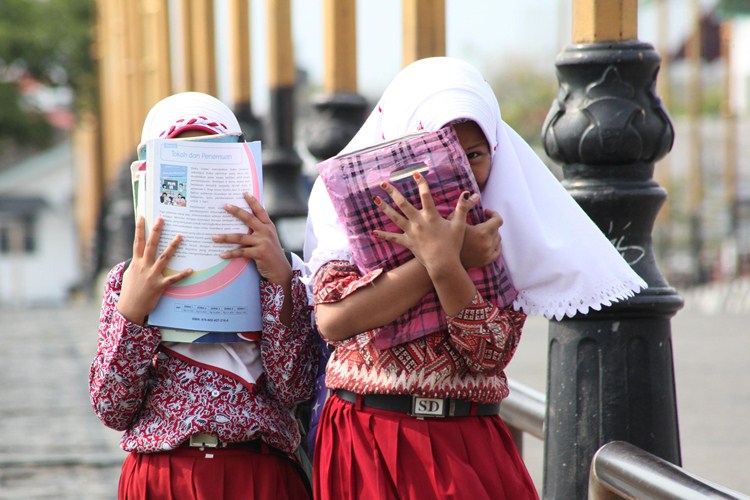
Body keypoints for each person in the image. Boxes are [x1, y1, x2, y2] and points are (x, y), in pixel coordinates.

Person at [303, 57, 647, 500]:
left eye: (475, 154)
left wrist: (448, 265)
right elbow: (335, 319)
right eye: (439, 150)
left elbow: (489, 352)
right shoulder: (347, 212)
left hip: (466, 443)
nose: (462, 170)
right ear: (403, 146)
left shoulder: (501, 222)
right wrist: (445, 257)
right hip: (366, 439)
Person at [89, 92, 318, 499]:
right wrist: (133, 312)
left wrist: (279, 281)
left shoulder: (286, 271)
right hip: (161, 477)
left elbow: (295, 388)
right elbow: (112, 408)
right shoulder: (126, 279)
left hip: (258, 473)